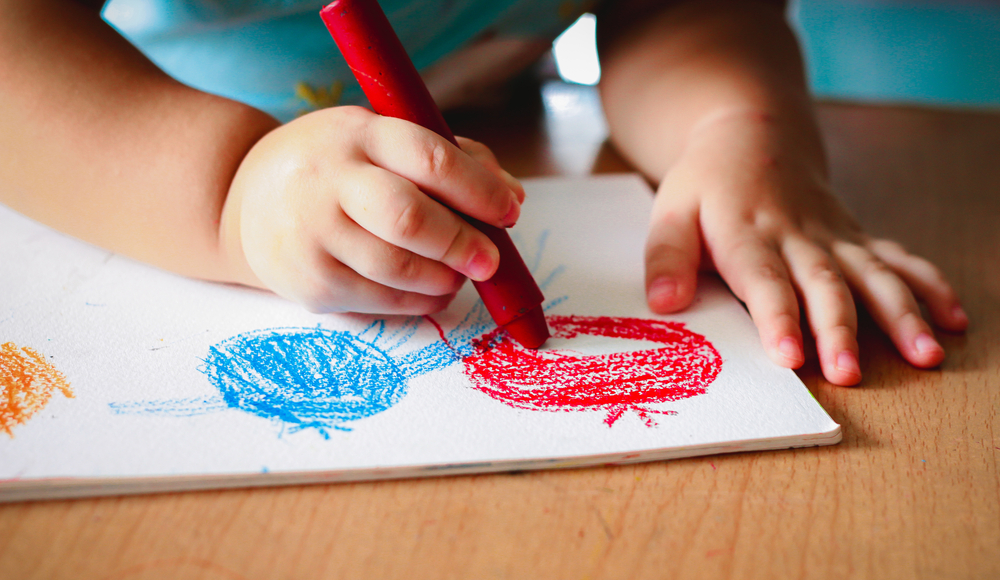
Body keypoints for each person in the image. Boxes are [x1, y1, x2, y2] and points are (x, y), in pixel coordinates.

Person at [0, 0, 967, 387]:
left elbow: (674, 10)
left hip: (511, 130)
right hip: (149, 129)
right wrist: (232, 194)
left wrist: (732, 129)